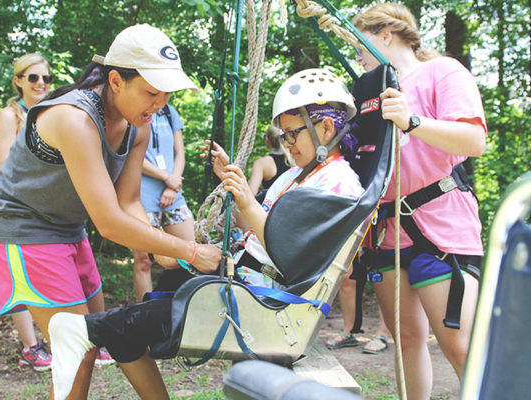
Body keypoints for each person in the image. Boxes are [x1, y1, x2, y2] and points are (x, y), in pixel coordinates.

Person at [47, 68, 363, 400]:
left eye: (292, 134)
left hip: (269, 302)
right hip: (250, 281)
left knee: (143, 319)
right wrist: (232, 189)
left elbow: (292, 255)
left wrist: (246, 199)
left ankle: (88, 329)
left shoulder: (337, 185)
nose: (287, 144)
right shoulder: (295, 177)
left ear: (326, 128)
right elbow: (253, 230)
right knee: (153, 303)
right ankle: (99, 329)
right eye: (284, 136)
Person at [0, 24, 222, 400]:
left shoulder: (138, 125)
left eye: (166, 95)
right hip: (24, 230)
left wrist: (161, 249)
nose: (159, 104)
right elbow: (108, 222)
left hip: (68, 231)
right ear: (116, 80)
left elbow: (127, 202)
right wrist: (188, 251)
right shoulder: (74, 118)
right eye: (151, 92)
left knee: (110, 331)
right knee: (78, 349)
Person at [353, 3, 486, 398]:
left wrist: (412, 121)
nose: (357, 54)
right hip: (388, 232)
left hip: (439, 223)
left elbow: (474, 141)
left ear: (384, 35)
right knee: (407, 340)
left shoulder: (441, 71)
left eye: (361, 43)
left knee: (459, 346)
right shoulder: (368, 92)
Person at [0, 53, 55, 370]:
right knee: (20, 279)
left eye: (45, 78)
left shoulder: (51, 112)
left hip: (48, 208)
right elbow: (3, 165)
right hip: (17, 208)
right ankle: (31, 346)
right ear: (18, 81)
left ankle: (55, 339)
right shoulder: (9, 115)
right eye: (33, 77)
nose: (41, 83)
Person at [130, 103, 196, 301]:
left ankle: (188, 306)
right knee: (143, 261)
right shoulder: (133, 110)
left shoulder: (169, 112)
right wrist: (167, 178)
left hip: (173, 195)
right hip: (142, 196)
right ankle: (143, 314)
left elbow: (180, 153)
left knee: (194, 251)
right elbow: (132, 157)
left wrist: (172, 185)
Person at [247, 126, 292, 195]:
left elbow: (250, 195)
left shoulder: (262, 163)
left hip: (273, 205)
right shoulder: (295, 159)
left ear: (267, 139)